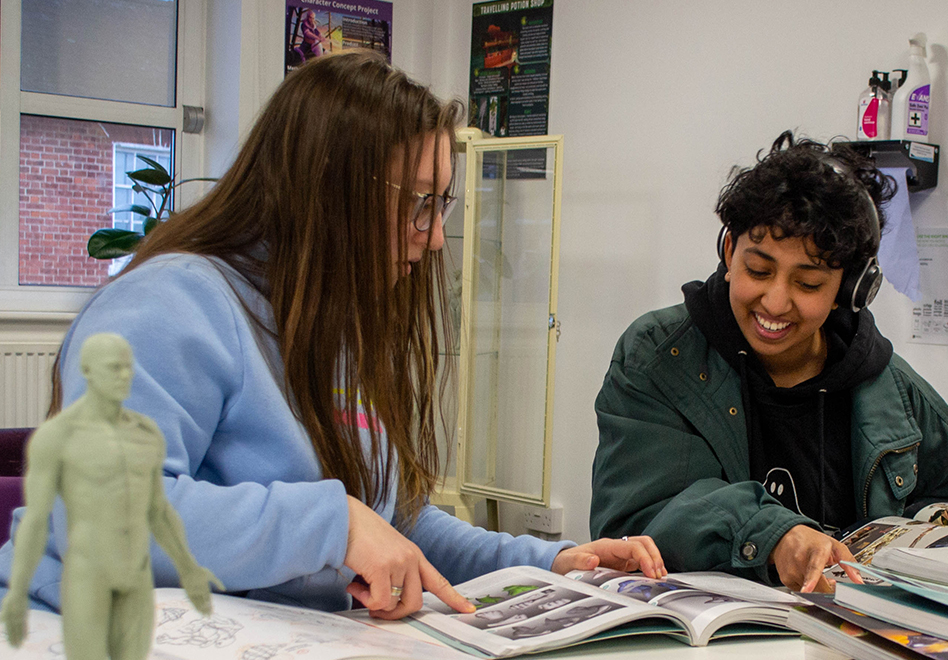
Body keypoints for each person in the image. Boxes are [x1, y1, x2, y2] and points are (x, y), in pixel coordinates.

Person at [0, 52, 663, 619]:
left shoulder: (334, 321)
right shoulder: (171, 300)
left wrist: (548, 559)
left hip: (258, 656)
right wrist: (333, 523)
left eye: (442, 206)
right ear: (328, 190)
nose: (435, 239)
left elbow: (393, 521)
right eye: (419, 204)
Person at [590, 131, 948, 593]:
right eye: (758, 271)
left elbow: (946, 509)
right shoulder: (658, 358)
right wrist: (773, 536)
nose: (775, 302)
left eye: (808, 283)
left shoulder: (899, 398)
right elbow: (637, 514)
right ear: (729, 251)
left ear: (850, 289)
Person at [1, 334, 218, 660]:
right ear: (89, 372)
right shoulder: (59, 437)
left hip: (135, 576)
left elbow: (159, 511)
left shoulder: (146, 434)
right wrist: (16, 594)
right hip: (87, 577)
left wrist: (189, 569)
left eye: (127, 367)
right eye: (112, 368)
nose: (123, 376)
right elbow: (32, 524)